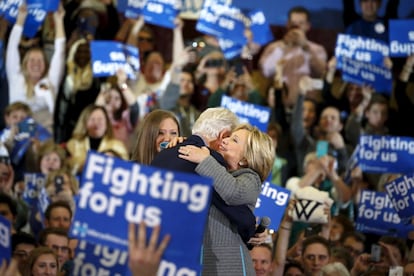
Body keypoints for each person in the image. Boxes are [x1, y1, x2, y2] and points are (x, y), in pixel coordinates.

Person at [150, 108, 267, 274]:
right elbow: (231, 207)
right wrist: (250, 228)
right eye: (230, 137)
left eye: (234, 141)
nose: (226, 143)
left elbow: (230, 194)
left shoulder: (164, 156)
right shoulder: (208, 160)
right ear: (222, 135)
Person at [177, 123, 275, 275]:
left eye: (234, 140)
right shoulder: (213, 170)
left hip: (231, 266)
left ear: (245, 159)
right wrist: (180, 144)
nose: (225, 140)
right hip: (206, 262)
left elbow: (233, 192)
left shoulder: (251, 179)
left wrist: (205, 159)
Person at [6, 4, 66, 133]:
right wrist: (20, 20)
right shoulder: (16, 78)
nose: (36, 63)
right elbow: (12, 48)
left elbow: (60, 52)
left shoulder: (50, 81)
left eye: (40, 60)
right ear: (25, 64)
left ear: (46, 65)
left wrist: (59, 21)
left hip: (43, 137)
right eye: (32, 60)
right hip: (16, 136)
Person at [259, 6, 327, 110]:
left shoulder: (317, 49)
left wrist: (306, 47)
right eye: (293, 23)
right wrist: (283, 47)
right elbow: (265, 72)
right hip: (277, 106)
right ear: (287, 24)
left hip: (306, 108)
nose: (296, 26)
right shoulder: (274, 47)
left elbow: (322, 74)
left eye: (301, 23)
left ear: (308, 26)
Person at [66, 104, 128, 175]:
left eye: (100, 119)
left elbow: (125, 171)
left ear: (107, 123)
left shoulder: (118, 146)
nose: (96, 123)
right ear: (84, 123)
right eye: (92, 119)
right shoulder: (73, 144)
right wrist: (80, 168)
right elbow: (65, 169)